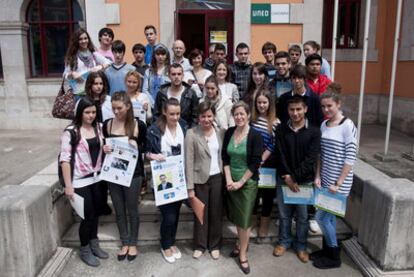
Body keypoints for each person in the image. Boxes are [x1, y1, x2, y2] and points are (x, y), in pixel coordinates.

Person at [311, 83, 357, 269]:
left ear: (339, 104)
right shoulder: (324, 124)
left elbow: (350, 157)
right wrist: (318, 175)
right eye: (323, 106)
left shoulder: (348, 125)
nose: (326, 109)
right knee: (327, 219)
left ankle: (334, 256)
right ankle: (328, 249)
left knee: (322, 218)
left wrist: (338, 183)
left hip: (339, 184)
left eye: (329, 105)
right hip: (325, 180)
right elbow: (321, 153)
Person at [60, 97, 108, 267]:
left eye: (94, 112)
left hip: (98, 179)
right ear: (80, 112)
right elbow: (65, 159)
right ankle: (85, 248)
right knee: (87, 217)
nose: (91, 116)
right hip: (80, 181)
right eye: (87, 112)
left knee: (95, 215)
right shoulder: (71, 131)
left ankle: (94, 244)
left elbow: (102, 149)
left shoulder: (100, 127)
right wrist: (68, 185)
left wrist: (106, 149)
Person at [273, 95, 321, 263]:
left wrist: (294, 178)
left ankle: (301, 245)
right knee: (284, 215)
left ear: (305, 109)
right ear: (288, 110)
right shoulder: (281, 130)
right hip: (283, 180)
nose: (295, 113)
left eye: (299, 109)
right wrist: (287, 176)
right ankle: (284, 241)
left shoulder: (314, 131)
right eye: (292, 110)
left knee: (302, 217)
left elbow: (310, 159)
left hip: (304, 182)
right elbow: (279, 153)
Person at [102, 92, 145, 262]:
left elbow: (146, 148)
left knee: (132, 209)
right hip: (113, 174)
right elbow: (103, 146)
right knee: (119, 210)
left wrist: (137, 145)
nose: (116, 111)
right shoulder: (107, 124)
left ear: (128, 106)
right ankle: (125, 242)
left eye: (119, 108)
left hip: (133, 174)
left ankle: (133, 243)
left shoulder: (138, 124)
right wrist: (104, 148)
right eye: (113, 108)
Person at [222, 101, 263, 274]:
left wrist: (240, 182)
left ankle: (243, 254)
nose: (239, 117)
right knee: (238, 219)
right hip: (231, 181)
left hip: (247, 183)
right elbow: (225, 157)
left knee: (245, 221)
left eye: (242, 114)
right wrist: (229, 179)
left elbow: (255, 163)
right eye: (236, 114)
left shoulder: (255, 135)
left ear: (248, 115)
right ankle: (239, 244)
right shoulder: (230, 132)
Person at [146, 98, 187, 263]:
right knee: (168, 215)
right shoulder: (154, 129)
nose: (175, 117)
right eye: (172, 114)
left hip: (179, 177)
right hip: (162, 178)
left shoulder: (183, 126)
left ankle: (171, 242)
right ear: (164, 112)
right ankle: (165, 245)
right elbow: (145, 153)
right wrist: (154, 155)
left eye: (177, 113)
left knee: (176, 213)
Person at [185, 102, 226, 260]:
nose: (206, 119)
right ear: (198, 117)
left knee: (216, 213)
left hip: (217, 178)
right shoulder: (192, 133)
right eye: (203, 116)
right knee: (200, 214)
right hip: (199, 179)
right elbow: (188, 161)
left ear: (213, 116)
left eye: (209, 116)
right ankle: (200, 245)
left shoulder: (220, 132)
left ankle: (214, 245)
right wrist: (190, 188)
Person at [250, 90, 279, 244]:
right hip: (253, 163)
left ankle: (264, 224)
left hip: (268, 164)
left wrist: (262, 159)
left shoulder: (275, 122)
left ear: (269, 104)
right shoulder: (252, 120)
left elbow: (274, 144)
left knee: (267, 195)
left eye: (264, 102)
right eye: (259, 102)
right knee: (254, 193)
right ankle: (253, 222)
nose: (261, 105)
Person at [63, 28, 111, 96]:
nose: (84, 41)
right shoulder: (72, 56)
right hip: (79, 92)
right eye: (80, 39)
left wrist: (99, 67)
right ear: (76, 41)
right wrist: (72, 74)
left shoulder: (94, 54)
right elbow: (65, 74)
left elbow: (109, 62)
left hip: (93, 91)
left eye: (85, 38)